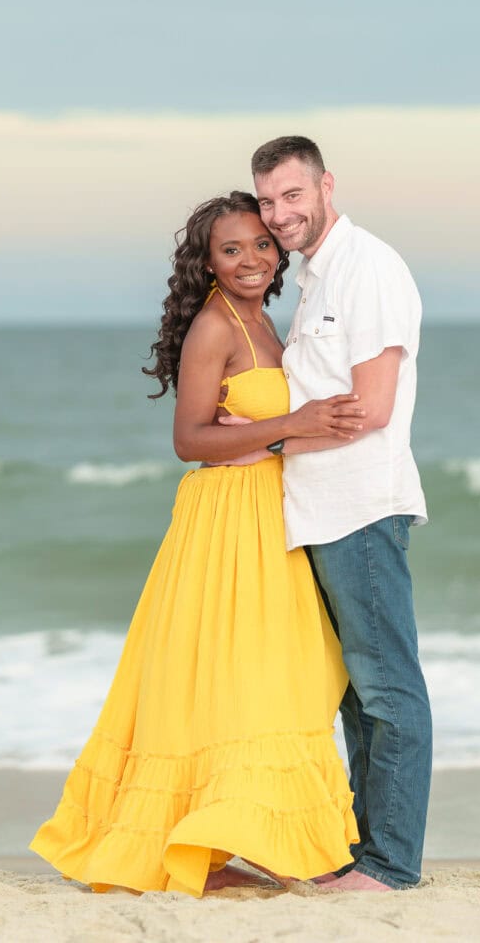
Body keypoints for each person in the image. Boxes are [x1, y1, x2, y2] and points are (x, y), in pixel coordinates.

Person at [29, 191, 368, 897]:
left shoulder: (265, 320)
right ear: (206, 262)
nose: (250, 260)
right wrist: (293, 424)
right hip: (227, 521)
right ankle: (260, 842)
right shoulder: (216, 327)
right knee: (247, 676)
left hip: (269, 515)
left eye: (260, 246)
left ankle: (256, 833)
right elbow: (189, 440)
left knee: (289, 671)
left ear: (279, 252)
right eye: (231, 250)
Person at [251, 136, 433, 892]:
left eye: (292, 196)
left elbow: (375, 405)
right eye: (267, 201)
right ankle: (364, 856)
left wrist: (280, 429)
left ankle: (390, 865)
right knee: (358, 695)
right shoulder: (313, 281)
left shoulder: (369, 268)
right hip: (318, 512)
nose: (280, 214)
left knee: (388, 688)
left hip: (359, 507)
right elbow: (324, 398)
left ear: (326, 186)